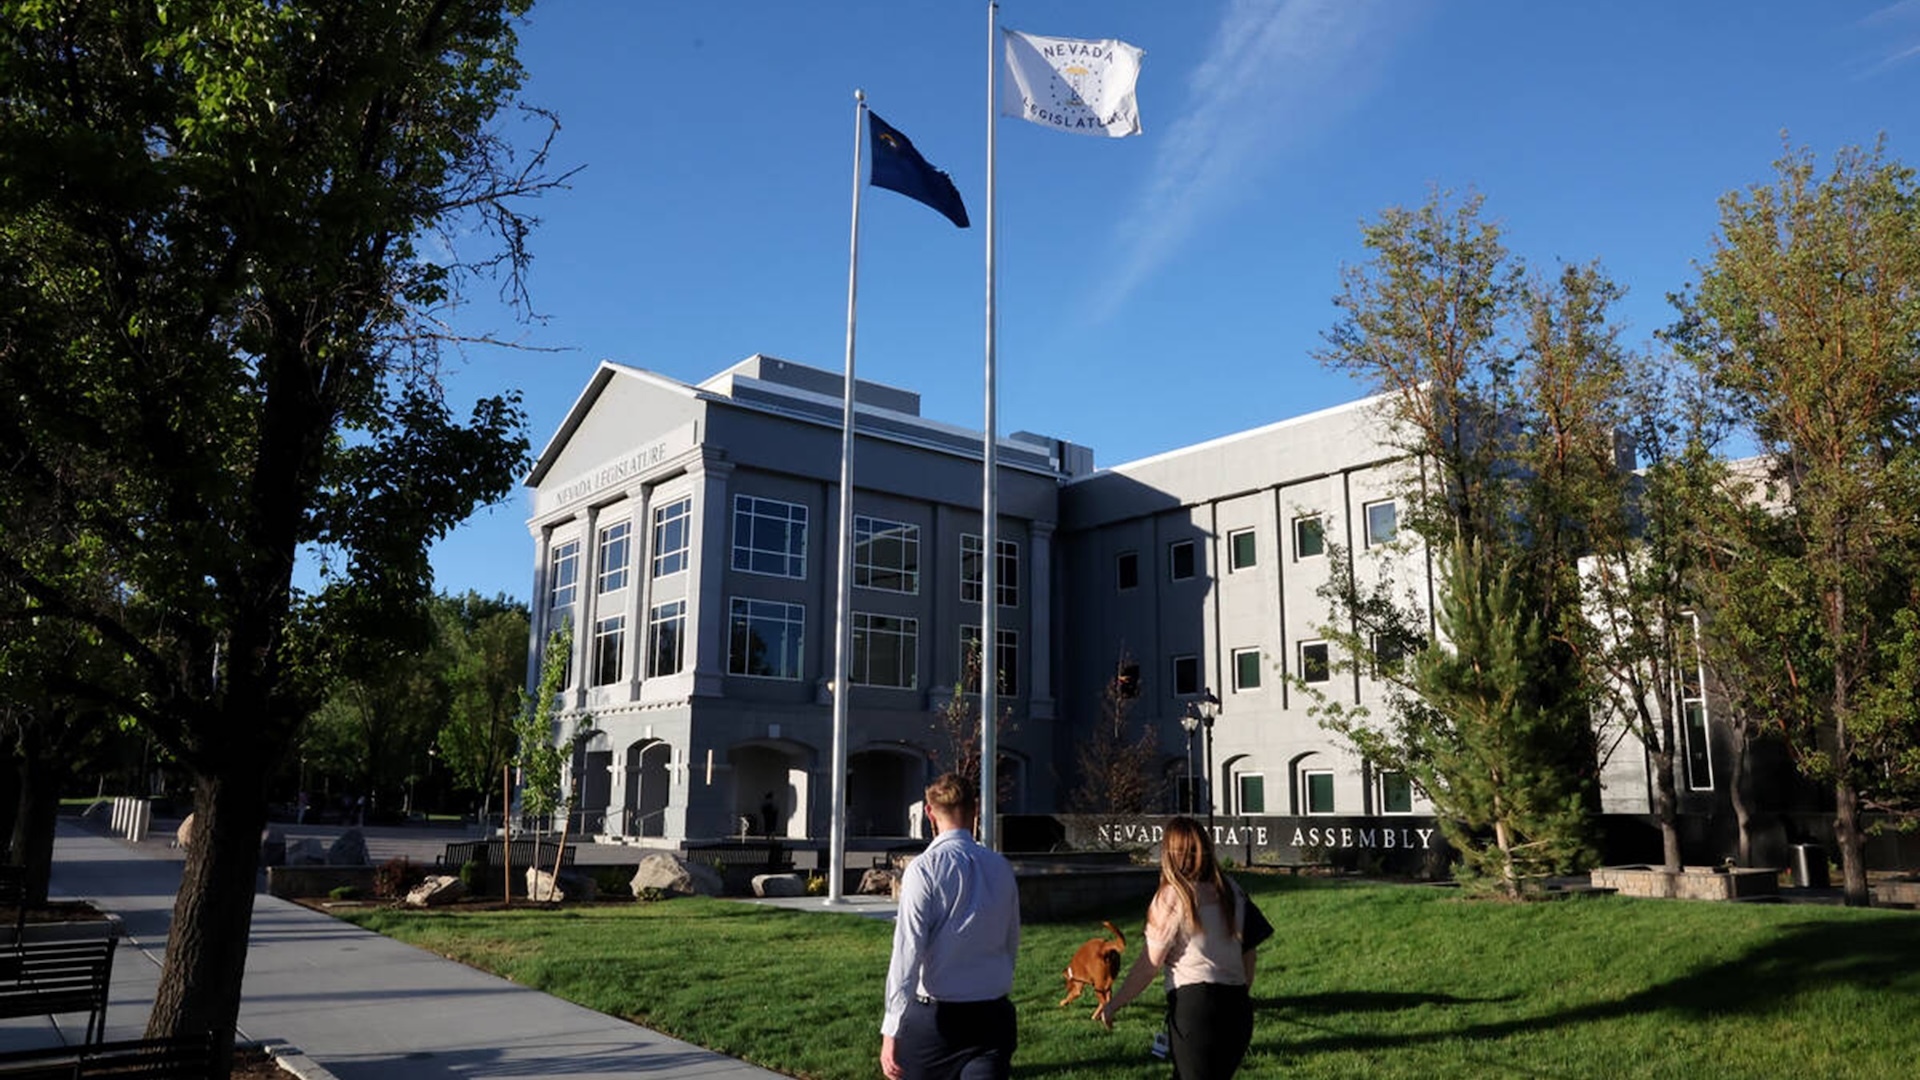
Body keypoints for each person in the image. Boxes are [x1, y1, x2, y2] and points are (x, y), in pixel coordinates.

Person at [1096, 816, 1271, 1079]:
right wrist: (1240, 995)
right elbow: (1250, 953)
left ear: (1169, 854)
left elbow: (1148, 965)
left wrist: (1113, 1004)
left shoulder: (1171, 897)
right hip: (1237, 1009)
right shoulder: (1232, 890)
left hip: (1196, 1010)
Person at [880, 773, 1021, 1080]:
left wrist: (892, 1028)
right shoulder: (1001, 866)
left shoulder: (924, 869)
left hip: (937, 1019)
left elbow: (907, 951)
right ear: (976, 810)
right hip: (992, 1013)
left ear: (930, 813)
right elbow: (1011, 941)